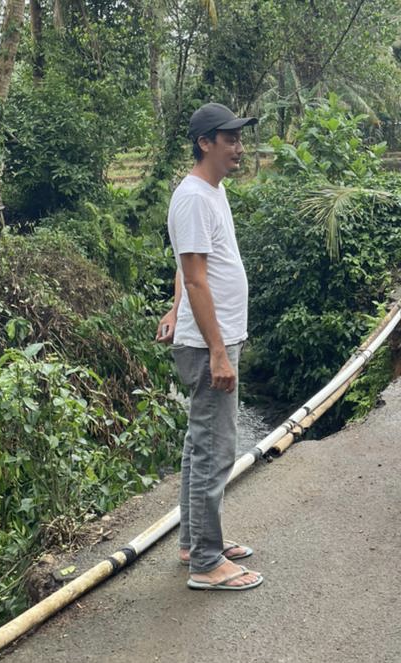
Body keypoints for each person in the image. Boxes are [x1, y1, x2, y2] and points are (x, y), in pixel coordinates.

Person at [155, 102, 263, 591]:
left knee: (199, 444)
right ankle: (205, 562)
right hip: (208, 345)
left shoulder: (210, 192)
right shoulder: (195, 197)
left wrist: (176, 310)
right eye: (230, 138)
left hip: (209, 336)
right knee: (216, 449)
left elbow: (186, 268)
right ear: (206, 143)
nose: (239, 147)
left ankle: (194, 541)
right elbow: (197, 279)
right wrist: (218, 350)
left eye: (239, 138)